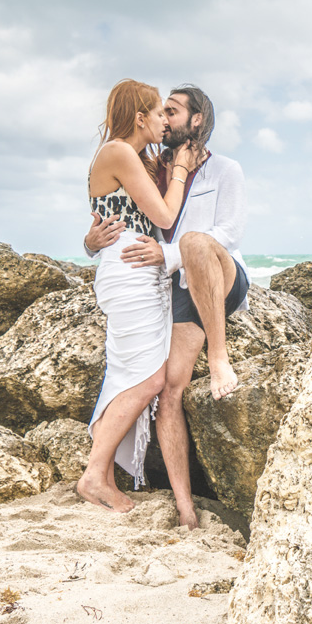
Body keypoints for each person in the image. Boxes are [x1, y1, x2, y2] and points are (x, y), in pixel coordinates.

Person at [84, 84, 250, 528]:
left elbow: (229, 233)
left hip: (218, 274)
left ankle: (219, 357)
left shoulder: (226, 169)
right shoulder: (150, 167)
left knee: (195, 241)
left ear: (196, 121)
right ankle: (185, 508)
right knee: (167, 387)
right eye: (160, 111)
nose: (164, 119)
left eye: (172, 112)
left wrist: (169, 253)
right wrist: (90, 242)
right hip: (170, 285)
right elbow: (119, 217)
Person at [77, 79, 198, 513]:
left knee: (128, 374)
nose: (165, 120)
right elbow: (163, 215)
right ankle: (94, 475)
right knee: (148, 379)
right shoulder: (118, 152)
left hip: (139, 271)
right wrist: (180, 170)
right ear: (141, 116)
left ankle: (104, 475)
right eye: (159, 112)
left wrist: (89, 243)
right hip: (129, 271)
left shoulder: (136, 157)